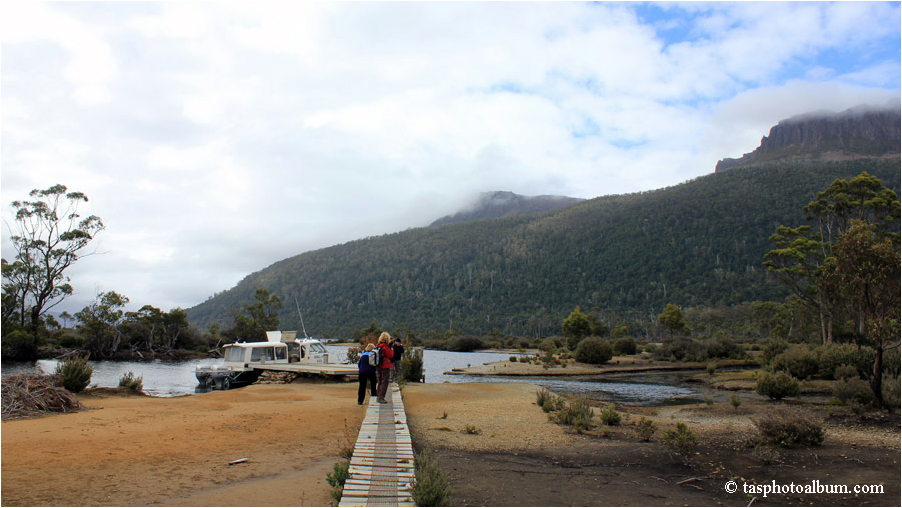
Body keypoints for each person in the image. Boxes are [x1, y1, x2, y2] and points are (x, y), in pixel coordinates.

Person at [374, 332, 394, 403]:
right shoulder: (385, 347)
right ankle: (381, 397)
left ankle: (378, 396)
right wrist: (391, 349)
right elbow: (391, 355)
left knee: (380, 380)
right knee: (385, 381)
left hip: (378, 365)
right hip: (385, 365)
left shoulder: (378, 345)